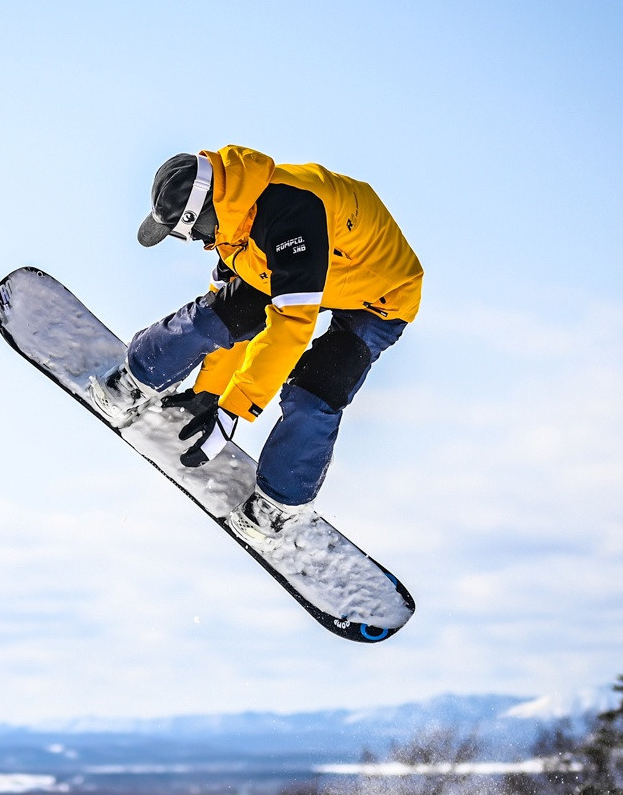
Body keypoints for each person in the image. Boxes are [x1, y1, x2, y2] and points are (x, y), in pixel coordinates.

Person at [92, 146, 422, 543]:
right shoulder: (232, 230)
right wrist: (211, 390)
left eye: (188, 230)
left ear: (207, 210)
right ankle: (137, 377)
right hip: (300, 269)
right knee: (214, 314)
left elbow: (290, 328)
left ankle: (280, 505)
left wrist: (232, 411)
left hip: (377, 295)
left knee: (314, 391)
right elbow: (222, 321)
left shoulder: (290, 216)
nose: (196, 242)